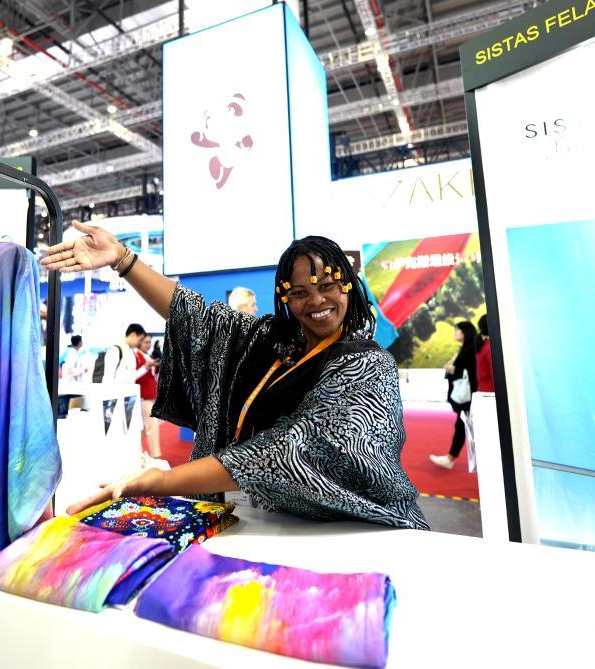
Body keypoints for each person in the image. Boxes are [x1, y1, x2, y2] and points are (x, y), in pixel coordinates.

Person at [42, 227, 428, 530]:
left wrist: (156, 482)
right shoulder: (271, 342)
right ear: (285, 297)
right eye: (299, 292)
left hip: (353, 532)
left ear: (348, 286)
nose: (315, 301)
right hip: (261, 523)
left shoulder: (368, 365)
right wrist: (122, 259)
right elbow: (196, 315)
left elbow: (290, 452)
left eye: (326, 286)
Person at [429, 321, 479, 470]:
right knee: (462, 426)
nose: (455, 333)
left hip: (469, 396)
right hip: (466, 396)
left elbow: (471, 372)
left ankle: (451, 458)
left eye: (457, 330)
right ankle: (451, 458)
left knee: (463, 426)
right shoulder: (465, 349)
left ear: (464, 332)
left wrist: (453, 369)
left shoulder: (470, 350)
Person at [134, 334, 165, 464]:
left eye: (149, 342)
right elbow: (133, 377)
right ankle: (155, 456)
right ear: (139, 343)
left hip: (150, 395)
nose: (148, 345)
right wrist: (146, 366)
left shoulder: (148, 356)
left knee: (143, 428)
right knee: (153, 425)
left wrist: (156, 367)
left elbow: (153, 376)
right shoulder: (136, 357)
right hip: (142, 397)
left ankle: (133, 450)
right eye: (146, 342)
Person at [475, 314, 494, 393]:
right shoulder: (490, 347)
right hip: (491, 392)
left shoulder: (484, 345)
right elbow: (495, 376)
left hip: (484, 390)